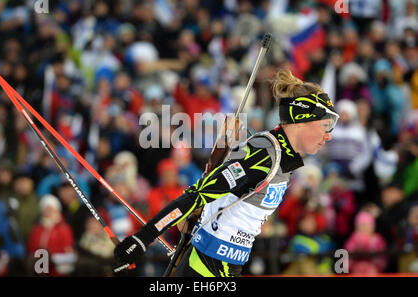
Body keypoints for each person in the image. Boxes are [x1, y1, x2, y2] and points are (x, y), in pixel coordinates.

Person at [113, 68, 339, 277]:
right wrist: (143, 238)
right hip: (207, 267)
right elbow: (198, 194)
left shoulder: (284, 159)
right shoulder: (265, 153)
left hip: (225, 267)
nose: (328, 135)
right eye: (325, 125)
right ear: (302, 119)